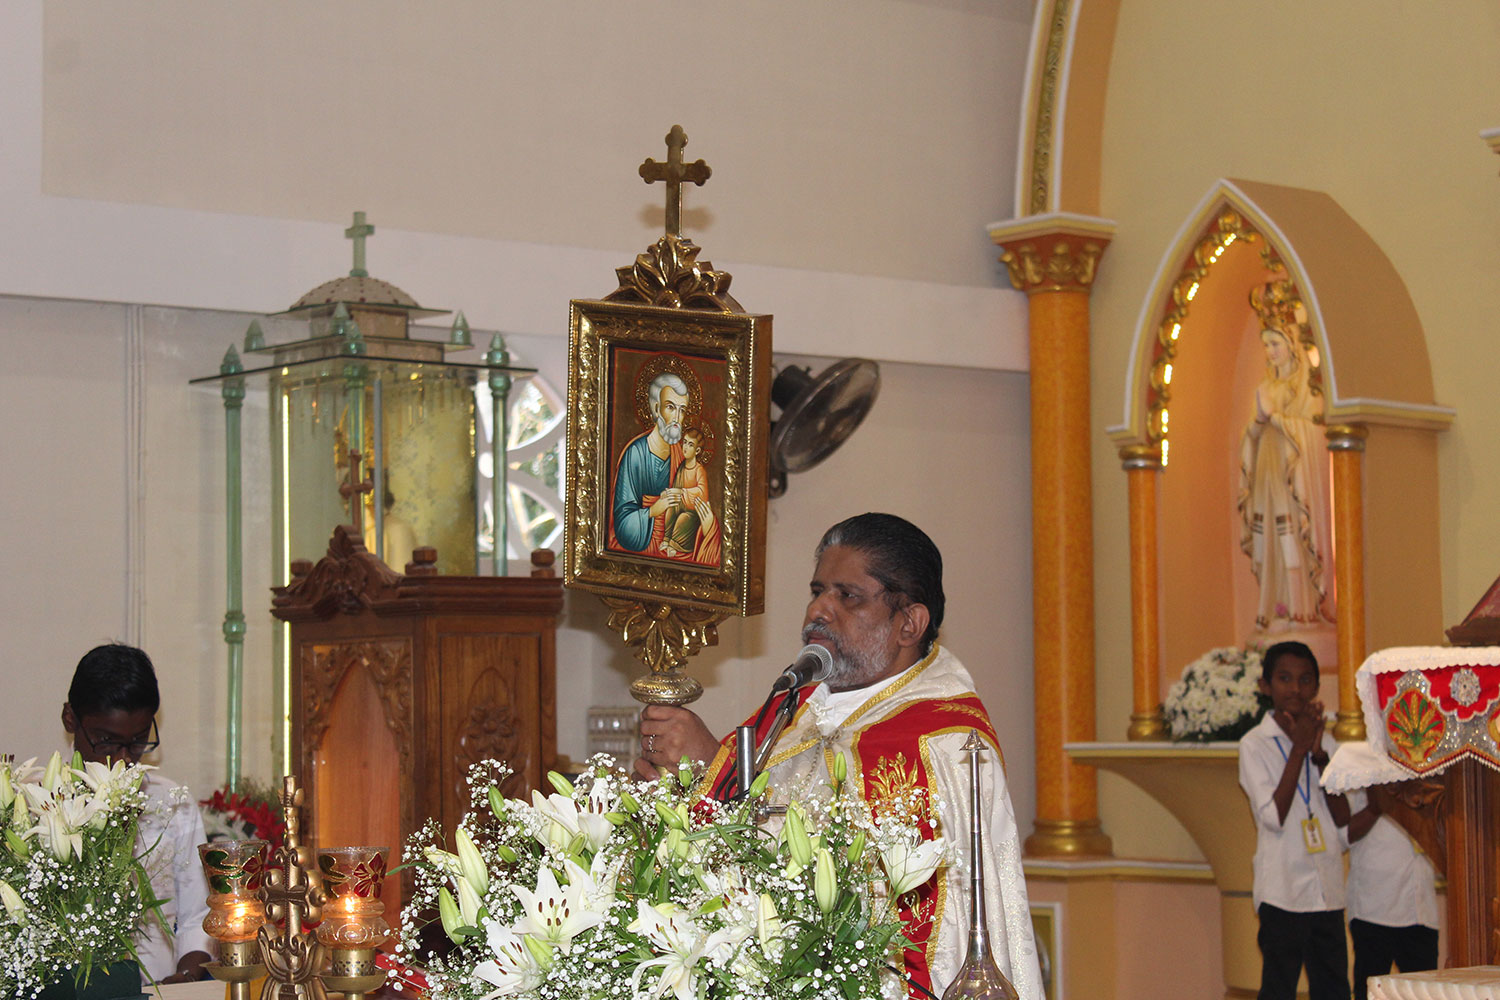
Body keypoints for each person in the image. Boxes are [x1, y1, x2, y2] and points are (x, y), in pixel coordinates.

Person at [635, 513, 1042, 1000]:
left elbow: (877, 897)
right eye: (817, 590)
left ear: (908, 623)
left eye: (848, 596)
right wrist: (684, 792)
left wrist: (712, 763)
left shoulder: (946, 742)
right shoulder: (796, 706)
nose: (819, 611)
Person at [61, 644, 212, 986]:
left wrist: (185, 976)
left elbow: (198, 915)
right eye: (107, 741)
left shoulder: (173, 804)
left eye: (138, 740)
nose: (124, 760)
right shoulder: (38, 807)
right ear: (71, 719)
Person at [1238, 641, 1351, 1000]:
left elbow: (1343, 819)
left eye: (1305, 680)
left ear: (1317, 688)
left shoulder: (1327, 743)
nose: (1295, 689)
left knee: (1333, 988)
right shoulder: (1255, 744)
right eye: (1284, 678)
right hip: (1283, 890)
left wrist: (1317, 755)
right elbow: (1272, 817)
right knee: (1279, 989)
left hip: (1326, 889)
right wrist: (1298, 749)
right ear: (1266, 685)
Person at [1238, 325, 1335, 633]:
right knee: (1270, 542)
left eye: (1275, 343)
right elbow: (1253, 434)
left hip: (1293, 476)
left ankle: (1301, 611)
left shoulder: (1305, 385)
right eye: (1266, 345)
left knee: (1291, 538)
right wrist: (1259, 419)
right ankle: (1276, 609)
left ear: (1292, 344)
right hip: (1267, 473)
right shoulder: (1266, 385)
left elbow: (1315, 432)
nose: (1270, 351)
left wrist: (1275, 417)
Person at [1343, 787, 1440, 999]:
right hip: (1374, 908)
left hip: (1421, 909)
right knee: (1370, 993)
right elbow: (1342, 834)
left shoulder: (1429, 763)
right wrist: (1376, 807)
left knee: (1425, 994)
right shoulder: (1358, 759)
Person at [659, 426, 711, 560]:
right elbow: (676, 487)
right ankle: (666, 539)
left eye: (690, 444)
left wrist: (682, 491)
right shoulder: (681, 467)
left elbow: (702, 492)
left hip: (693, 513)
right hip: (680, 504)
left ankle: (675, 545)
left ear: (697, 450)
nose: (685, 447)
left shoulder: (699, 470)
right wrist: (668, 493)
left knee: (683, 518)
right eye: (685, 442)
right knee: (670, 509)